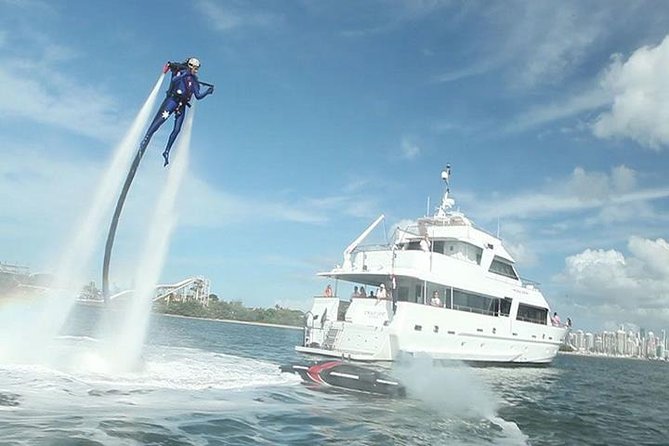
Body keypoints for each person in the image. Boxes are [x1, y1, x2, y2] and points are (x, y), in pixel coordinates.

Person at [140, 57, 214, 166]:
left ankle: (167, 151)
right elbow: (174, 80)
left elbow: (197, 96)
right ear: (190, 66)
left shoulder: (194, 81)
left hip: (182, 104)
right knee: (160, 120)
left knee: (177, 129)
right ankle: (146, 138)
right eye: (195, 68)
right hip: (173, 100)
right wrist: (185, 74)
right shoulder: (181, 72)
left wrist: (207, 92)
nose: (196, 70)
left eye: (197, 68)